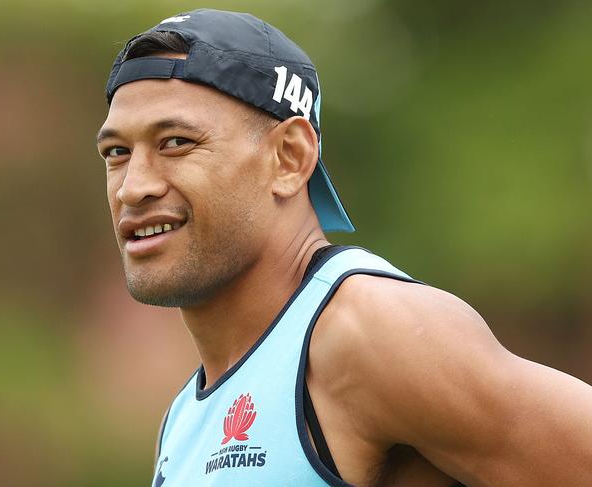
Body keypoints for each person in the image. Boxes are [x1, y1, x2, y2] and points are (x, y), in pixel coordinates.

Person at [96, 8, 592, 487]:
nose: (132, 187)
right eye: (117, 153)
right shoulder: (184, 419)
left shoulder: (371, 332)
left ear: (290, 158)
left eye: (177, 142)